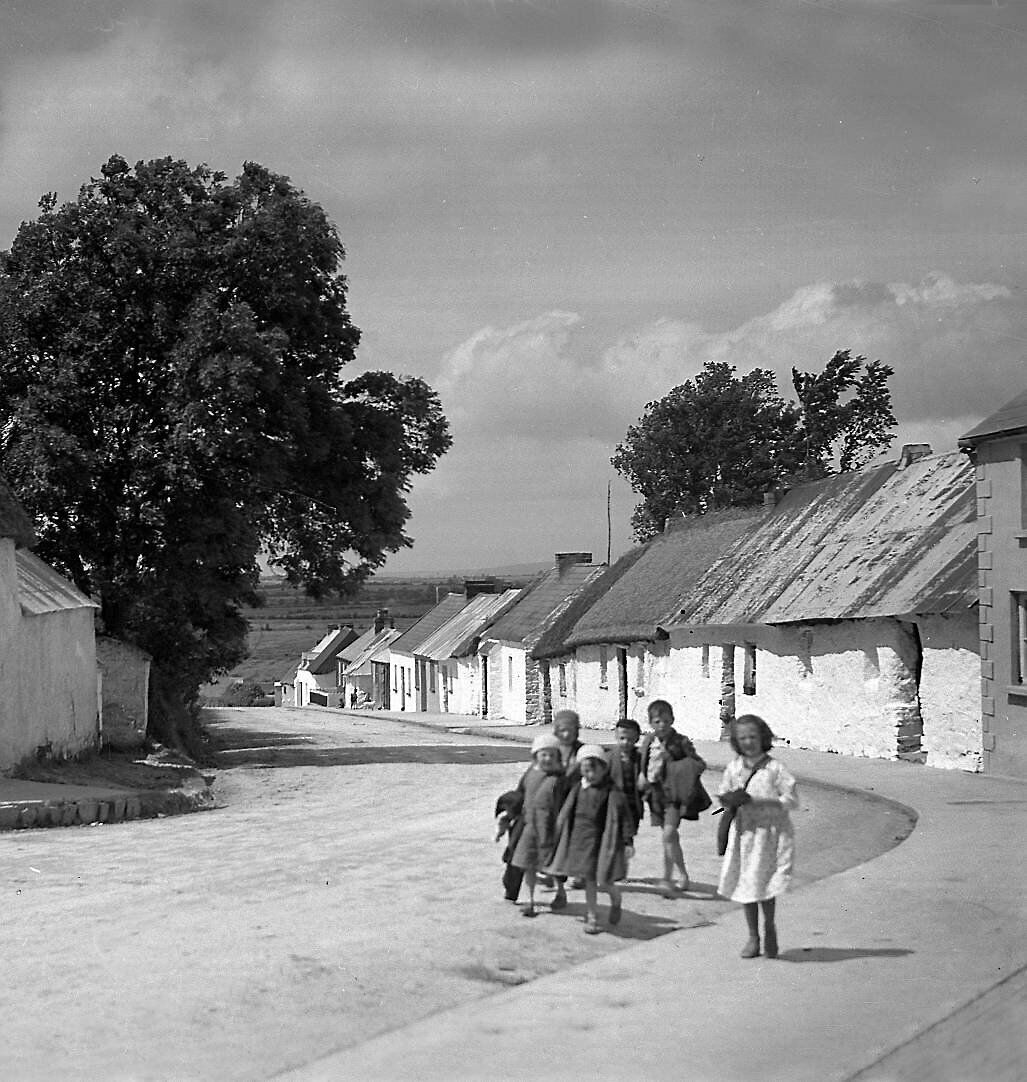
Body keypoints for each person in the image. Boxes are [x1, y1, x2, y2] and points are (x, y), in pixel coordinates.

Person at [717, 714, 798, 959]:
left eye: (753, 736)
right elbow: (723, 792)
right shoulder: (734, 767)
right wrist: (730, 798)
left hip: (771, 834)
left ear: (762, 737)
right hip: (745, 834)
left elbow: (792, 800)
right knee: (747, 884)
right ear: (736, 741)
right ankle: (753, 936)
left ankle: (769, 926)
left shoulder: (775, 768)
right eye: (743, 738)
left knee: (765, 883)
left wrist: (761, 801)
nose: (748, 742)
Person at [545, 745, 633, 934]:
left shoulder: (612, 793)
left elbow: (623, 818)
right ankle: (592, 917)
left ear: (604, 769)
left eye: (594, 769)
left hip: (602, 843)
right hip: (580, 840)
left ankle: (616, 900)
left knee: (605, 881)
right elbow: (565, 812)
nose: (590, 774)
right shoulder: (578, 788)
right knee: (589, 880)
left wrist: (627, 841)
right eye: (585, 770)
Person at [638, 699, 708, 897]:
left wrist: (676, 766)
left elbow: (698, 764)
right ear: (651, 722)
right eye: (658, 721)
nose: (662, 725)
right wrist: (641, 776)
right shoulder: (649, 741)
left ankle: (667, 879)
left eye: (666, 721)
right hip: (656, 796)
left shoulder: (681, 741)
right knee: (670, 838)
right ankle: (683, 875)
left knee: (668, 834)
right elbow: (642, 762)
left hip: (675, 796)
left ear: (673, 720)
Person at [509, 733, 571, 916]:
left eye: (552, 755)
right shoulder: (530, 774)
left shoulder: (560, 779)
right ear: (536, 755)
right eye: (544, 754)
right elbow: (520, 795)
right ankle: (529, 899)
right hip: (530, 827)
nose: (548, 759)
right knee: (529, 863)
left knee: (553, 865)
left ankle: (561, 892)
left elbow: (564, 804)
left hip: (550, 828)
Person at [608, 718, 645, 842]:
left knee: (627, 839)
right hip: (612, 806)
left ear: (637, 739)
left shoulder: (640, 758)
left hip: (632, 805)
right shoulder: (609, 758)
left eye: (630, 739)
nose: (626, 742)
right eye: (622, 738)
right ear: (616, 736)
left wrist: (644, 777)